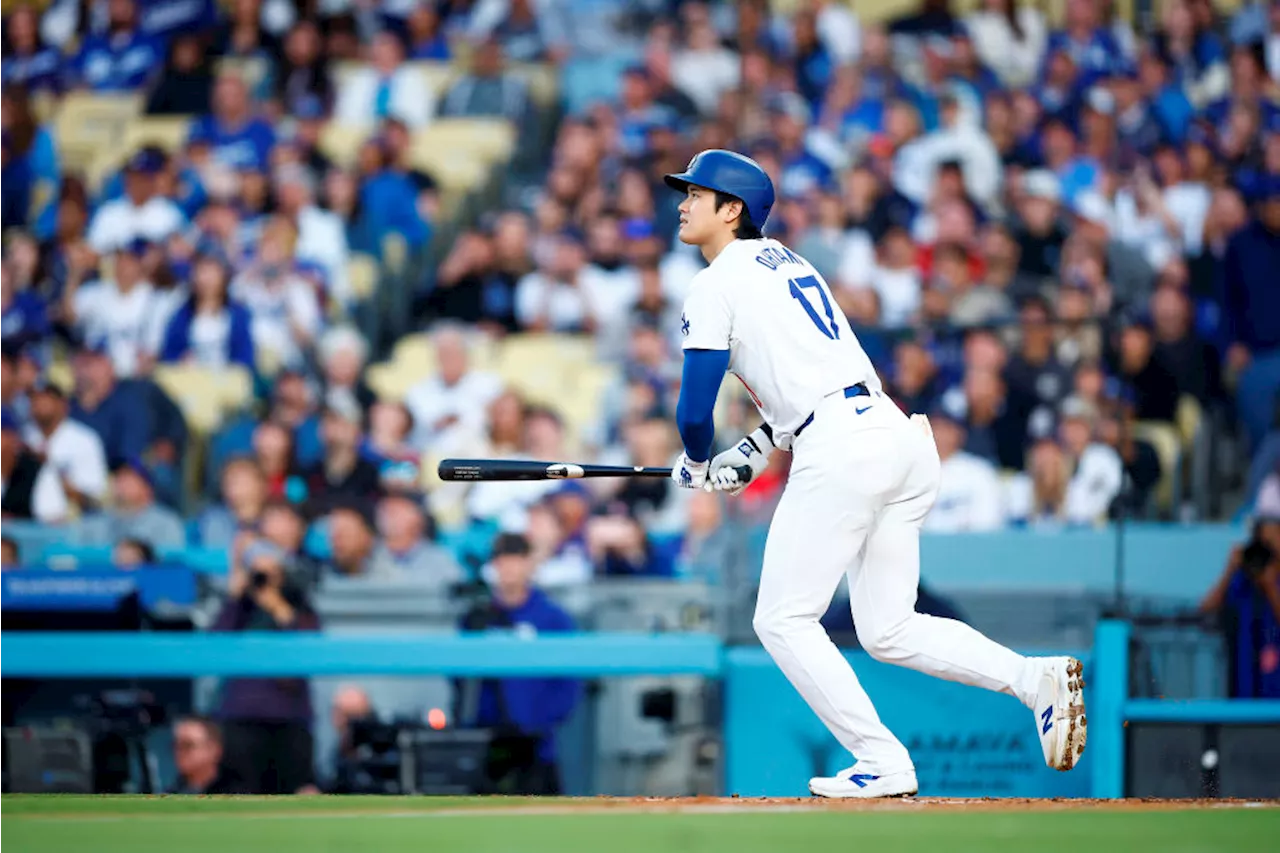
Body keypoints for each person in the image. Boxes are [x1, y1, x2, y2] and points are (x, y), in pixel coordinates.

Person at [663, 149, 1086, 799]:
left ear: (733, 209)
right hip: (892, 433)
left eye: (697, 193)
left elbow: (694, 411)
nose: (684, 202)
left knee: (780, 619)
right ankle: (1036, 680)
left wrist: (697, 459)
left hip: (841, 447)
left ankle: (880, 757)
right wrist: (752, 448)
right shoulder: (791, 264)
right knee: (887, 627)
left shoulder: (714, 282)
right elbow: (809, 387)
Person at [458, 532, 581, 794]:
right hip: (488, 745)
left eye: (516, 559)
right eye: (502, 560)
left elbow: (569, 680)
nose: (509, 568)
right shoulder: (477, 618)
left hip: (537, 746)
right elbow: (460, 679)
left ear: (529, 563)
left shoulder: (552, 618)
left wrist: (542, 720)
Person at [211, 538, 319, 794]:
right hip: (242, 716)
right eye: (258, 573)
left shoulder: (299, 608)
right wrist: (235, 596)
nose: (264, 580)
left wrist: (279, 608)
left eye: (271, 573)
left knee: (292, 791)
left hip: (288, 716)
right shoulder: (239, 610)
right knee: (242, 790)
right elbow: (214, 644)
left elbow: (309, 646)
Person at [169, 716, 243, 794]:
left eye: (187, 745)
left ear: (213, 749)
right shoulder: (170, 795)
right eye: (176, 745)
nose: (179, 752)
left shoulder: (237, 796)